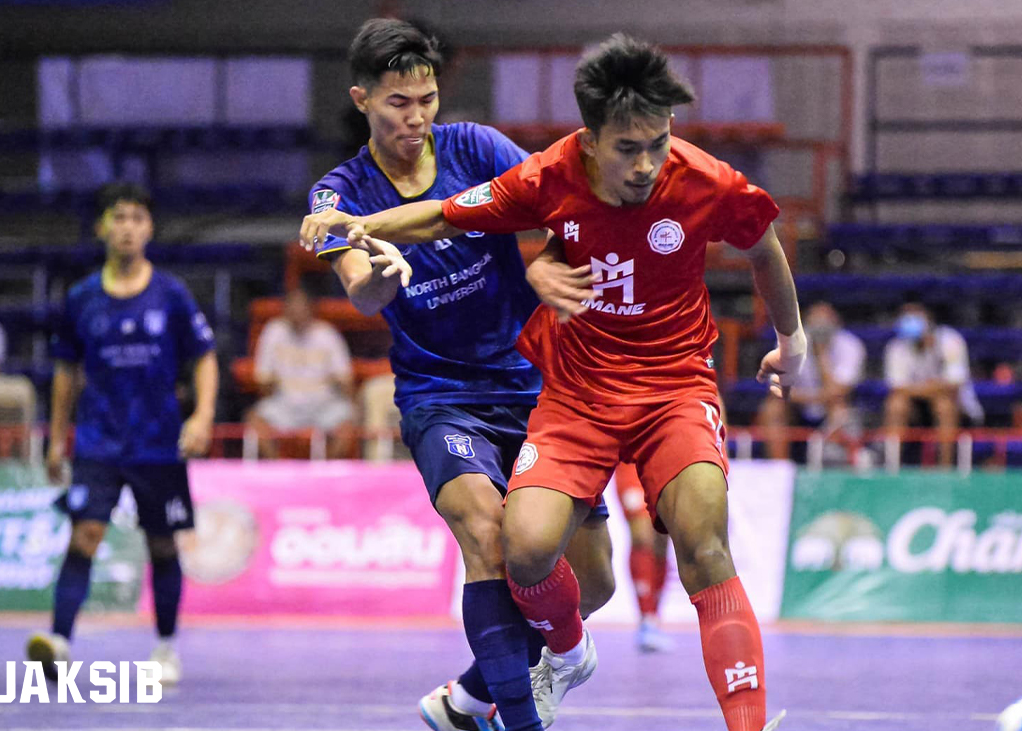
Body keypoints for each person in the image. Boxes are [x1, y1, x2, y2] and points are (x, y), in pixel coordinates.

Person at [303, 33, 804, 731]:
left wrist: (792, 338)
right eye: (628, 148)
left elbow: (752, 246)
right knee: (510, 544)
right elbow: (413, 245)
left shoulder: (692, 178)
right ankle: (540, 685)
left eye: (658, 144)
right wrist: (365, 239)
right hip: (511, 394)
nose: (646, 165)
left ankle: (480, 698)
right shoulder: (363, 191)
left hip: (615, 382)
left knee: (649, 563)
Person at [304, 19, 615, 731]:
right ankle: (518, 721)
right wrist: (383, 273)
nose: (415, 118)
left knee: (592, 582)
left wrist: (549, 262)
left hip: (536, 384)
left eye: (427, 99)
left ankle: (466, 701)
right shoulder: (338, 193)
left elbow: (560, 204)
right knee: (488, 534)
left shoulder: (476, 148)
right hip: (441, 396)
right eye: (398, 103)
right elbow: (361, 292)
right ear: (361, 99)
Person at [26, 182, 218, 685]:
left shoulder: (171, 295)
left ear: (149, 229)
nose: (127, 227)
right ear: (102, 227)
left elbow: (204, 357)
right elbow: (66, 373)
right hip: (98, 440)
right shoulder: (81, 298)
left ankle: (166, 647)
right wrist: (57, 439)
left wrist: (201, 417)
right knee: (84, 534)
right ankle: (59, 642)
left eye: (137, 217)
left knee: (162, 544)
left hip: (158, 443)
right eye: (119, 217)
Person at [246, 288, 357, 458]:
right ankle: (278, 467)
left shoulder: (327, 335)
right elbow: (263, 381)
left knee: (348, 422)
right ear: (285, 309)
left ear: (311, 308)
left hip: (323, 404)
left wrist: (348, 401)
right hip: (285, 403)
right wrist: (271, 384)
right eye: (292, 306)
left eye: (301, 306)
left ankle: (326, 468)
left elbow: (345, 381)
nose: (297, 311)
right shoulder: (273, 332)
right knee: (255, 421)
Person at [753, 301, 864, 461]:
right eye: (816, 320)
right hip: (798, 405)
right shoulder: (788, 343)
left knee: (840, 410)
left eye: (826, 320)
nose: (821, 326)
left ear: (837, 322)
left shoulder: (850, 345)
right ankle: (779, 466)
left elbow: (839, 391)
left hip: (830, 406)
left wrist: (821, 354)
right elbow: (777, 388)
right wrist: (814, 398)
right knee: (773, 409)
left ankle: (835, 467)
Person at [882, 301, 981, 467]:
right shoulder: (896, 346)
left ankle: (944, 468)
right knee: (895, 405)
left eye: (915, 315)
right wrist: (933, 386)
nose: (909, 319)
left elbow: (953, 385)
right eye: (906, 316)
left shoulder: (950, 340)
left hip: (956, 406)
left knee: (944, 405)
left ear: (928, 318)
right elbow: (896, 388)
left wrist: (919, 388)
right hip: (915, 408)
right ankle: (892, 465)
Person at [613, 462, 674, 653]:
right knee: (642, 536)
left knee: (661, 540)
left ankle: (654, 618)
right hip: (630, 463)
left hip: (666, 462)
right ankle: (646, 619)